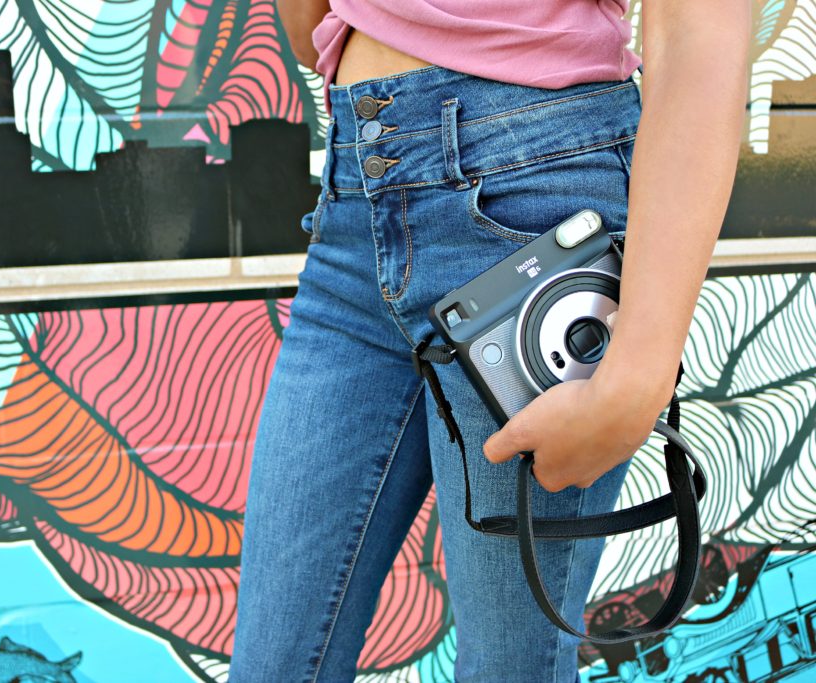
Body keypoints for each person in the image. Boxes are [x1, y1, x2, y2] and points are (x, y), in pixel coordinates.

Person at [229, 1, 750, 681]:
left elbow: (699, 32)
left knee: (509, 666)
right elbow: (308, 31)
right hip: (359, 199)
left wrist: (638, 376)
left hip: (532, 194)